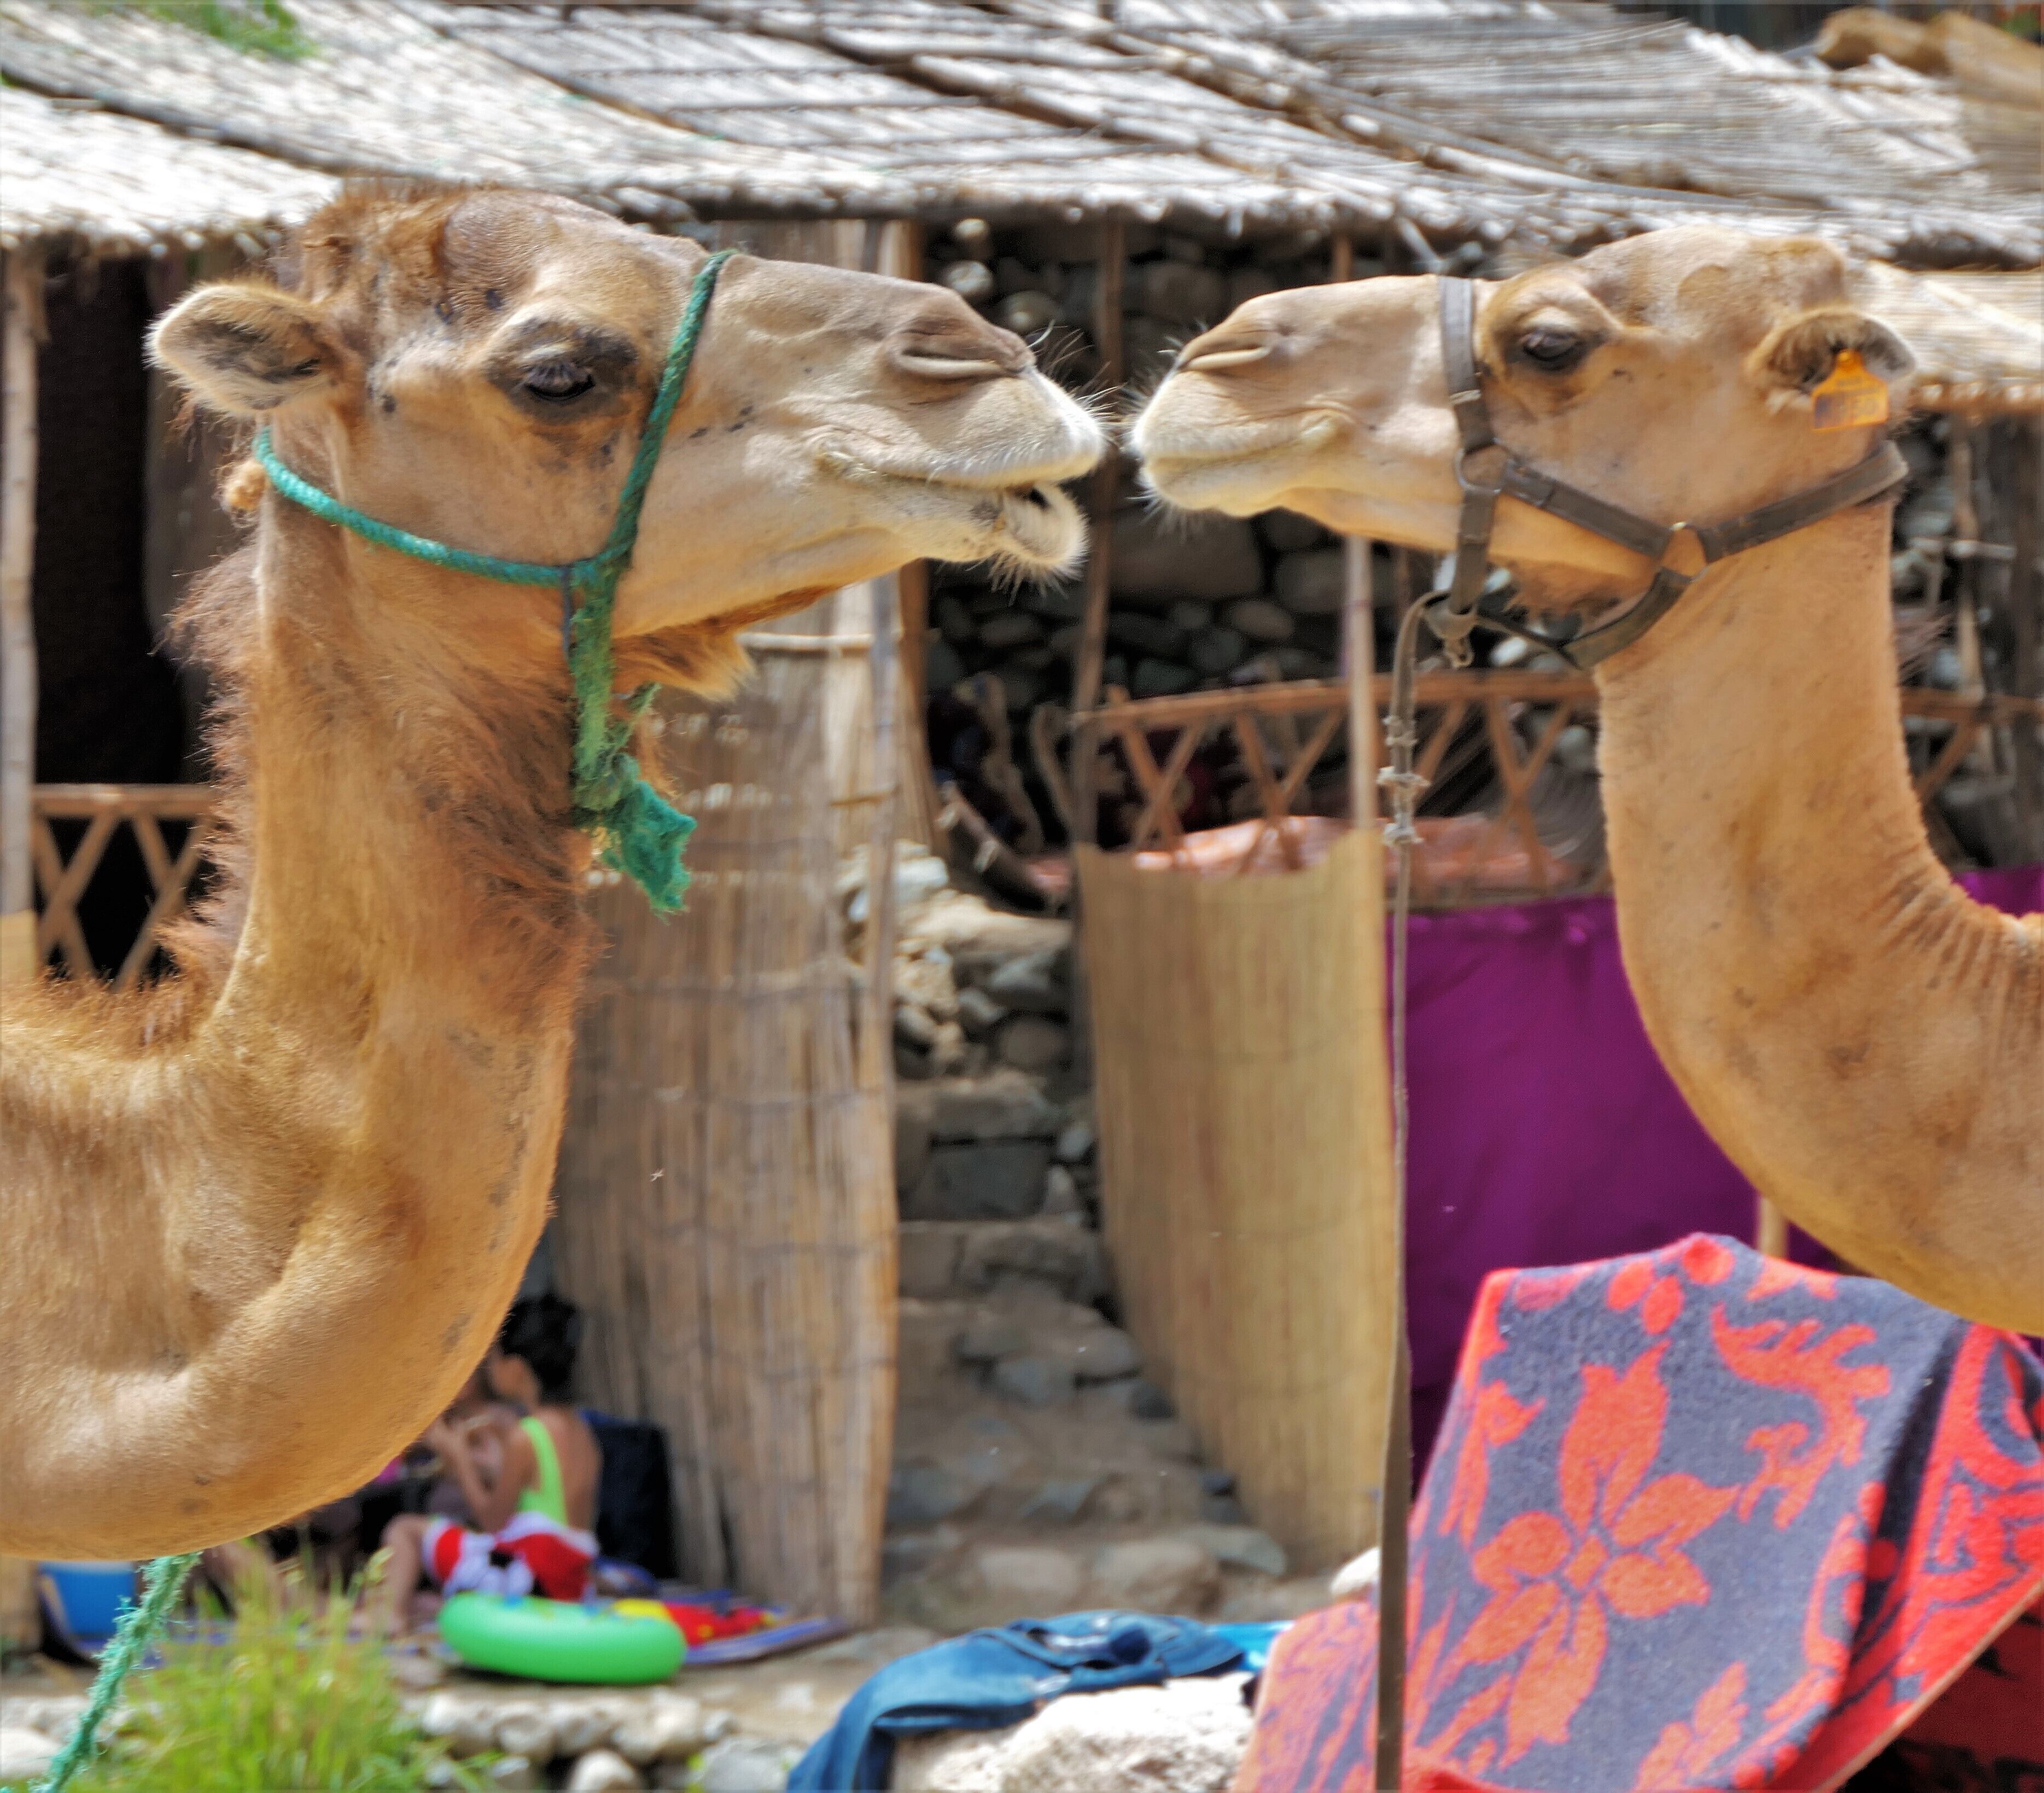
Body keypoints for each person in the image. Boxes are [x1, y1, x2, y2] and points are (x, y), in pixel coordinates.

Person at [374, 1295, 602, 1632]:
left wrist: (459, 1458)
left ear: (517, 1369)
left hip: (533, 1576)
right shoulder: (581, 1431)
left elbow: (493, 1521)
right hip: (570, 1583)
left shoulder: (527, 1435)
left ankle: (388, 1617)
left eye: (494, 1356)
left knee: (406, 1529)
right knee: (424, 1599)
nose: (489, 1366)